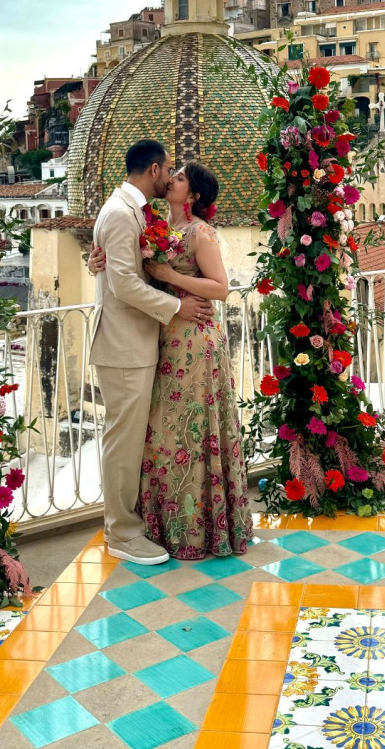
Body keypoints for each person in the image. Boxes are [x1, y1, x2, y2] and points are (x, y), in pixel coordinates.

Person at [89, 159, 252, 559]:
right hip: (163, 340)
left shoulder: (201, 232)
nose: (171, 180)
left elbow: (220, 289)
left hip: (194, 341)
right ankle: (166, 522)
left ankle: (198, 528)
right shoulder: (157, 226)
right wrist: (96, 264)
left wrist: (172, 277)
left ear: (193, 196)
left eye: (179, 178)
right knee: (166, 434)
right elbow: (130, 272)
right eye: (171, 174)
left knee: (195, 431)